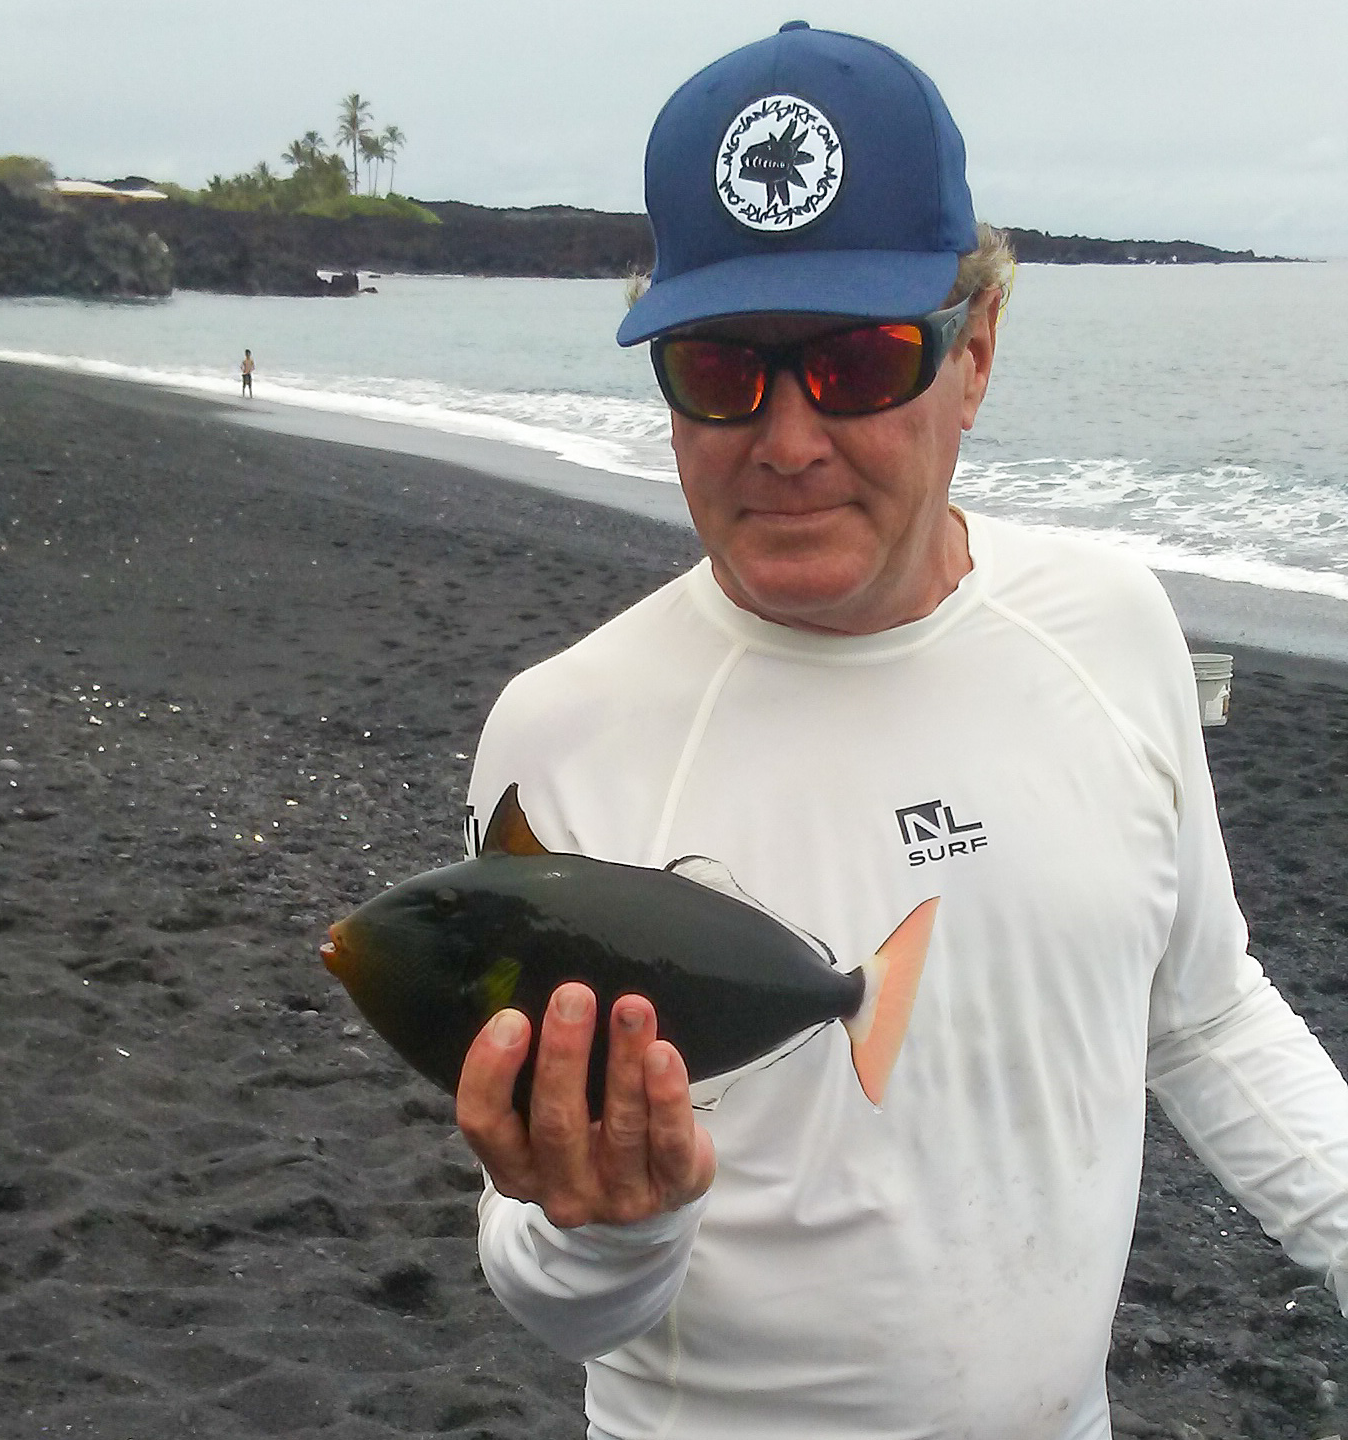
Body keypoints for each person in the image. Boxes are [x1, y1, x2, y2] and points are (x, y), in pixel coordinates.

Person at [456, 23, 1348, 1440]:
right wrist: (606, 1229)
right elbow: (549, 1287)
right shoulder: (565, 731)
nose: (790, 437)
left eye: (861, 364)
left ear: (976, 351)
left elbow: (1206, 1013)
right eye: (721, 371)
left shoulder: (1113, 626)